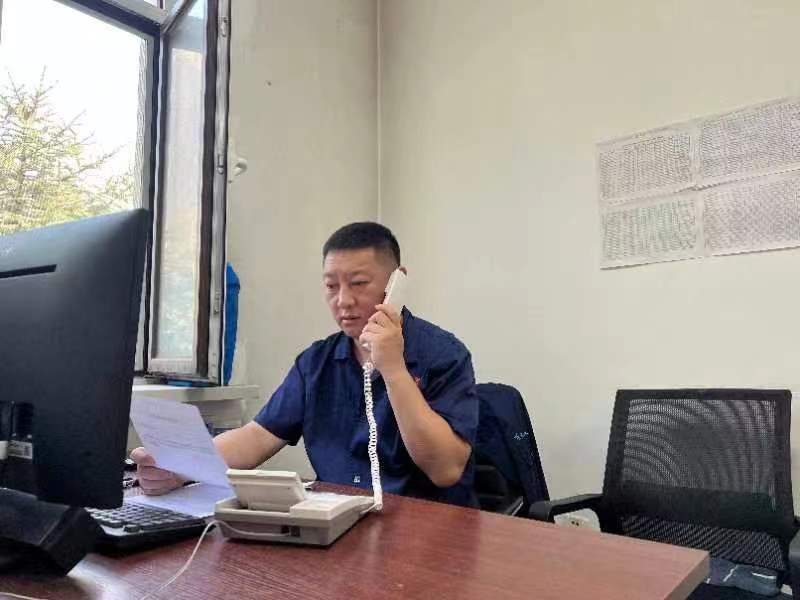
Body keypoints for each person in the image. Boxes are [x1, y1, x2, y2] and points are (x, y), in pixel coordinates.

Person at [132, 222, 479, 506]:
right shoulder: (316, 362)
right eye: (331, 286)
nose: (343, 300)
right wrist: (180, 466)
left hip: (428, 531)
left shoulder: (443, 355)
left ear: (395, 283)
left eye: (359, 283)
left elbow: (446, 470)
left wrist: (393, 370)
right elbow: (256, 437)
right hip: (341, 525)